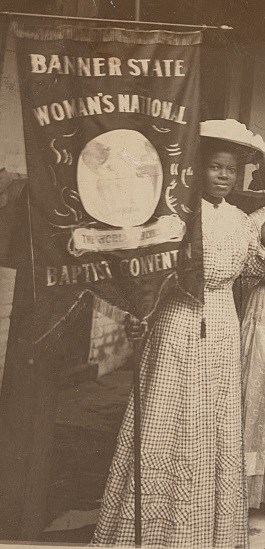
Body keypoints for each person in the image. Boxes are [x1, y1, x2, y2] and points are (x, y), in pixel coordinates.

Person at [92, 120, 265, 548]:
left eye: (231, 170)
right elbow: (145, 274)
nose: (224, 177)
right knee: (171, 415)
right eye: (215, 168)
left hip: (223, 321)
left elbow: (251, 270)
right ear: (196, 169)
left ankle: (205, 531)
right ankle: (155, 529)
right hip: (178, 321)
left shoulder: (243, 222)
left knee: (213, 420)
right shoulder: (177, 216)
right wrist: (138, 313)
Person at [242, 206, 265, 509]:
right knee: (256, 393)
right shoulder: (256, 220)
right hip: (263, 310)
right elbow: (245, 267)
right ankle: (250, 487)